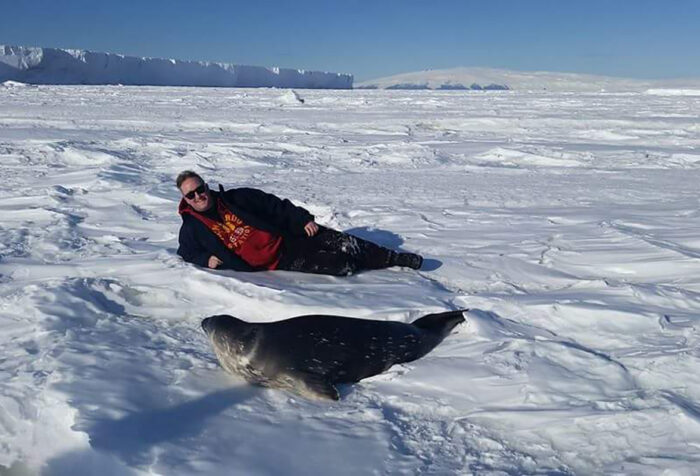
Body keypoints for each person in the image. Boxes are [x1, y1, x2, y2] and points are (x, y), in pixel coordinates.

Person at [175, 170, 423, 276]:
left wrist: (302, 219)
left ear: (206, 186)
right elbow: (185, 252)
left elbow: (275, 205)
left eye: (200, 189)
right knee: (340, 265)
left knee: (344, 242)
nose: (198, 196)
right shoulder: (192, 227)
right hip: (278, 263)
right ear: (185, 199)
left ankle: (394, 258)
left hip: (287, 238)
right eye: (191, 195)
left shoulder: (237, 198)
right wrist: (205, 260)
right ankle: (365, 264)